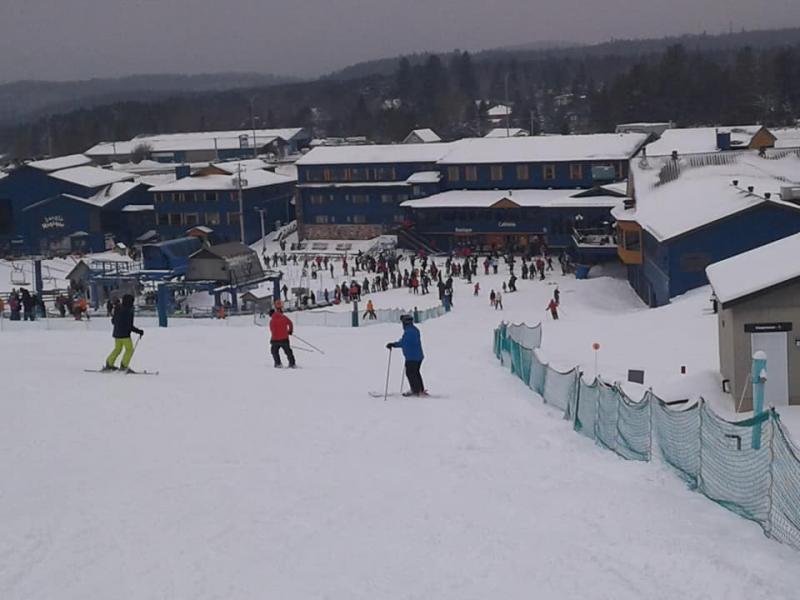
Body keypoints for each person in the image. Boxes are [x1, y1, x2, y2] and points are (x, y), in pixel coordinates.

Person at [386, 314, 426, 396]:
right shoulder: (413, 330)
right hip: (417, 356)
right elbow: (405, 341)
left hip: (412, 357)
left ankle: (416, 391)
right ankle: (420, 390)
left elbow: (404, 342)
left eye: (403, 322)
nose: (402, 325)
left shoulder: (409, 332)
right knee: (415, 373)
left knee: (410, 373)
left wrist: (393, 344)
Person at [103, 294, 143, 372]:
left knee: (117, 349)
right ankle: (124, 365)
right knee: (129, 349)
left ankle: (109, 363)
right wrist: (139, 331)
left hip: (116, 333)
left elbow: (113, 321)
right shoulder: (129, 311)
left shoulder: (118, 308)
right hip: (125, 335)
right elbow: (129, 326)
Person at [269, 300, 296, 368]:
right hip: (284, 339)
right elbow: (290, 323)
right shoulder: (284, 317)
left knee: (274, 352)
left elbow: (272, 330)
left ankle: (278, 364)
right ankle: (292, 364)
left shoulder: (271, 321)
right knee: (288, 352)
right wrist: (290, 331)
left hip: (275, 340)